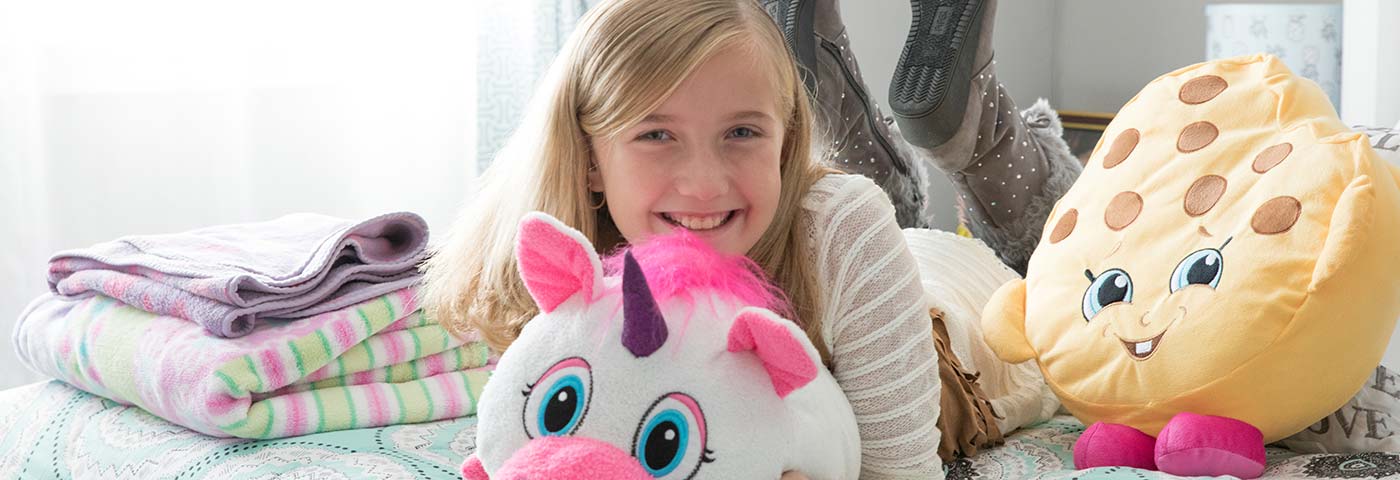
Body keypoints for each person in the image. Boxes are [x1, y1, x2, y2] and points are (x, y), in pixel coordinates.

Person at [423, 0, 1076, 477]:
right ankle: (841, 92)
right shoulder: (567, 255)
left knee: (1061, 260)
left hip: (959, 329)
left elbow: (898, 471)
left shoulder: (842, 228)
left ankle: (982, 134)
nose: (703, 185)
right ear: (591, 159)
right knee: (872, 203)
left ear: (785, 142)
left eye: (742, 133)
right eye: (656, 135)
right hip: (839, 243)